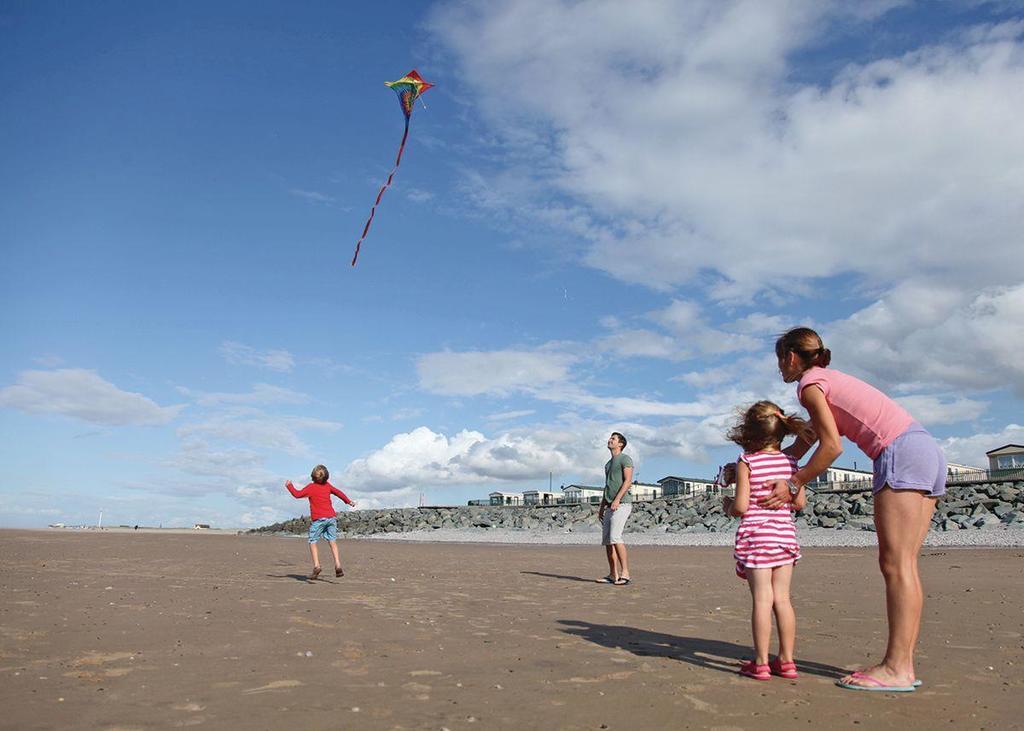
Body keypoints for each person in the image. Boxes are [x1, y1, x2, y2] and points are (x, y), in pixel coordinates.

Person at [761, 327, 946, 692]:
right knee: (904, 565)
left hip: (900, 453)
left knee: (895, 565)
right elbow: (805, 443)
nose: (780, 367)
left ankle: (896, 667)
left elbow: (831, 448)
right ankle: (902, 665)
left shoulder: (810, 386)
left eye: (781, 359)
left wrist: (795, 484)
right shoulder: (827, 381)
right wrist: (765, 465)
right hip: (925, 449)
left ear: (793, 357)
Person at [723, 401, 808, 681]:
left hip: (757, 537)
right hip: (784, 535)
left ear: (749, 433)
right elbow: (800, 502)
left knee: (762, 600)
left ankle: (760, 662)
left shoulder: (747, 461)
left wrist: (727, 505)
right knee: (782, 599)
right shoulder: (791, 463)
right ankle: (787, 661)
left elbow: (742, 507)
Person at [285, 464, 357, 580]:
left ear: (312, 477)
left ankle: (317, 566)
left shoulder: (311, 487)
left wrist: (289, 486)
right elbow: (339, 493)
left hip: (319, 519)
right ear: (326, 477)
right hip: (331, 518)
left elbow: (297, 494)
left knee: (313, 541)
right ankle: (338, 564)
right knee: (332, 541)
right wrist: (349, 502)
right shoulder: (328, 486)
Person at [597, 432, 634, 586]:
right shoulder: (608, 464)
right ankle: (613, 574)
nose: (610, 440)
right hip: (610, 505)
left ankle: (625, 573)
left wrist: (618, 499)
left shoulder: (625, 459)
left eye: (613, 439)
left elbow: (628, 481)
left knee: (615, 537)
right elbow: (608, 486)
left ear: (620, 444)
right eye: (610, 438)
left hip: (623, 503)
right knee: (607, 541)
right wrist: (601, 507)